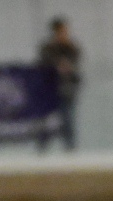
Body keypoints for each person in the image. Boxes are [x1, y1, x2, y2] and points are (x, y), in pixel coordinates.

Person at [37, 17, 82, 151]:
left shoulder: (71, 48)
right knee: (47, 122)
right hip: (50, 91)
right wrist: (57, 65)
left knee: (67, 120)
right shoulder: (48, 49)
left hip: (67, 90)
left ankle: (70, 150)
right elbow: (44, 65)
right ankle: (42, 151)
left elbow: (75, 64)